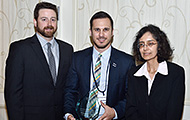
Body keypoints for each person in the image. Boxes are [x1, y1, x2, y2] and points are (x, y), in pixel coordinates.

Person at [4, 2, 73, 120]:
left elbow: (69, 87)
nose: (49, 24)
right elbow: (13, 94)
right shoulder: (20, 49)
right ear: (35, 22)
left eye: (53, 19)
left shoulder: (67, 49)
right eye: (44, 19)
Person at [63, 11, 135, 120]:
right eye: (97, 30)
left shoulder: (126, 62)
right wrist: (69, 114)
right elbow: (70, 91)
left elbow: (130, 97)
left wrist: (114, 112)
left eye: (105, 30)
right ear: (90, 32)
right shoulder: (77, 59)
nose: (101, 35)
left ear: (112, 32)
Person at [125, 24, 185, 120]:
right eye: (141, 44)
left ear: (160, 46)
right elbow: (130, 110)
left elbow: (174, 113)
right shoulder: (134, 73)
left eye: (150, 44)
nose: (145, 48)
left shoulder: (175, 73)